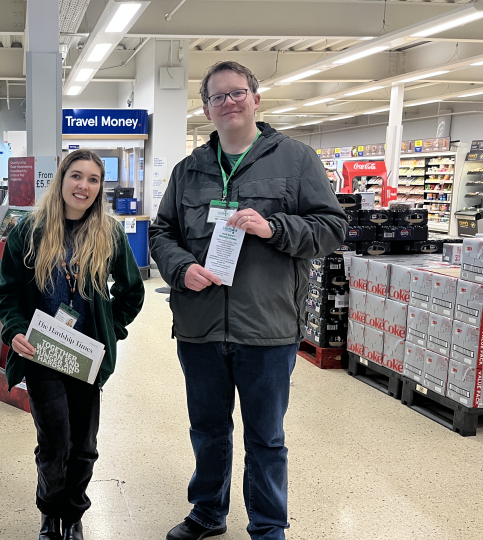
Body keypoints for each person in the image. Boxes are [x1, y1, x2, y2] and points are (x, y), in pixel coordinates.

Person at [149, 61, 347, 540]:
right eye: (218, 97)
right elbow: (162, 232)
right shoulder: (189, 169)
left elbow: (332, 228)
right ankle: (208, 513)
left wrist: (274, 227)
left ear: (256, 99)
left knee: (266, 438)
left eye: (237, 93)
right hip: (200, 328)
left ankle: (267, 526)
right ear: (207, 109)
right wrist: (180, 267)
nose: (229, 102)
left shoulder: (296, 160)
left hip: (268, 327)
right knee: (208, 430)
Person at [0, 149, 145, 540]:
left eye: (93, 179)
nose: (84, 186)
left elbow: (131, 292)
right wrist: (15, 330)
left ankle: (73, 513)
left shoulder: (108, 232)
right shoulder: (30, 230)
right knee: (55, 441)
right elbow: (7, 292)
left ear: (100, 188)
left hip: (87, 359)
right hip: (43, 354)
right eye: (76, 176)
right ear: (61, 179)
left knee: (84, 445)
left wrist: (110, 329)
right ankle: (50, 511)